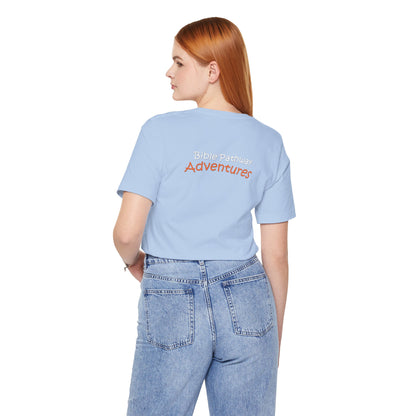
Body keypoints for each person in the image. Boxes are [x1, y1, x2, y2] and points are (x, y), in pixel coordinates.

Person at [113, 16, 296, 416]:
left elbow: (127, 234)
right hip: (249, 301)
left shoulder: (159, 131)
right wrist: (272, 338)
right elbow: (277, 256)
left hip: (171, 294)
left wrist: (134, 262)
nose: (169, 72)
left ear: (213, 71)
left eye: (179, 62)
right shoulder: (269, 141)